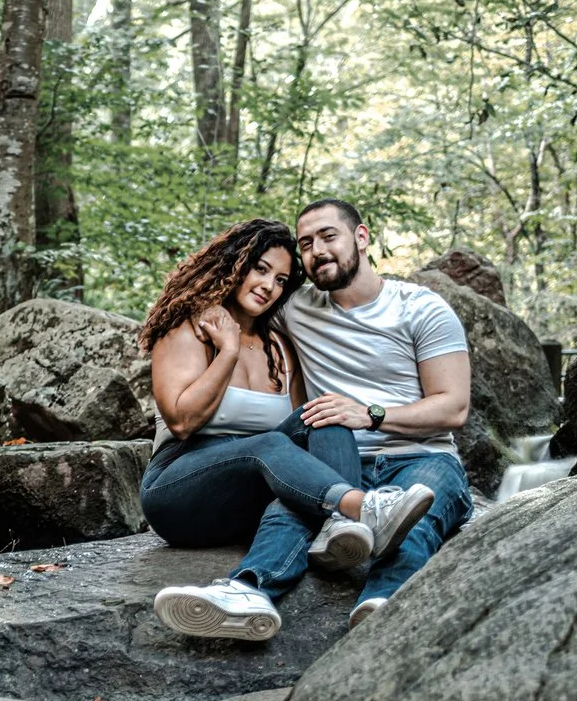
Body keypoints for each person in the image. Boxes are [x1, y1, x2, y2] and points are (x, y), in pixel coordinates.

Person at [136, 219, 440, 643]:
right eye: (259, 269)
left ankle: (256, 588)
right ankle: (361, 507)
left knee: (326, 412)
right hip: (179, 489)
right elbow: (182, 420)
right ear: (232, 265)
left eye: (280, 280)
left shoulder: (278, 346)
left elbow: (301, 442)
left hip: (247, 489)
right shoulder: (190, 328)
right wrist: (226, 350)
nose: (269, 287)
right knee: (269, 444)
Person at [277, 197, 474, 628]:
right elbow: (239, 294)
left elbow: (454, 406)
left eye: (329, 236)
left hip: (423, 458)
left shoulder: (421, 308)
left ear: (361, 237)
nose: (317, 251)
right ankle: (248, 590)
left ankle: (380, 609)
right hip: (339, 463)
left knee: (416, 516)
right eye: (305, 244)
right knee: (286, 512)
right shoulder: (295, 309)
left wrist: (370, 414)